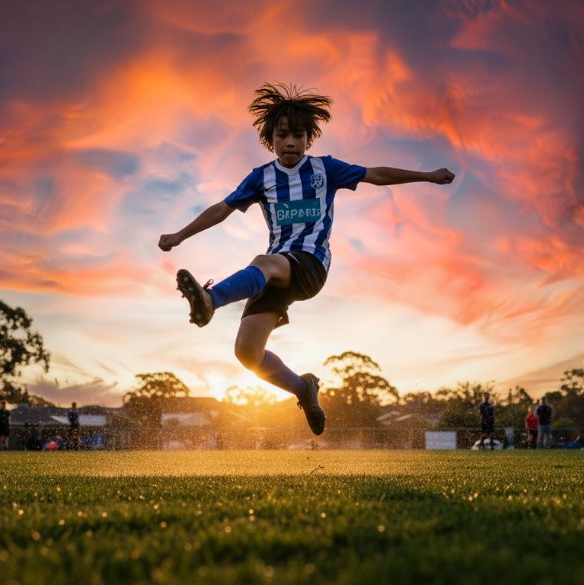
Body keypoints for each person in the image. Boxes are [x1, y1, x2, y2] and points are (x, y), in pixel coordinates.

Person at [158, 82, 455, 436]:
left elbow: (376, 174)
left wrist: (427, 176)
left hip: (310, 265)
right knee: (247, 354)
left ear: (308, 138)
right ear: (271, 138)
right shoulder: (261, 178)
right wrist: (179, 235)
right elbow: (222, 209)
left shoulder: (324, 169)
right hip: (272, 273)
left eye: (298, 135)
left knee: (263, 261)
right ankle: (303, 388)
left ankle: (211, 299)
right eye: (283, 135)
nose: (290, 143)